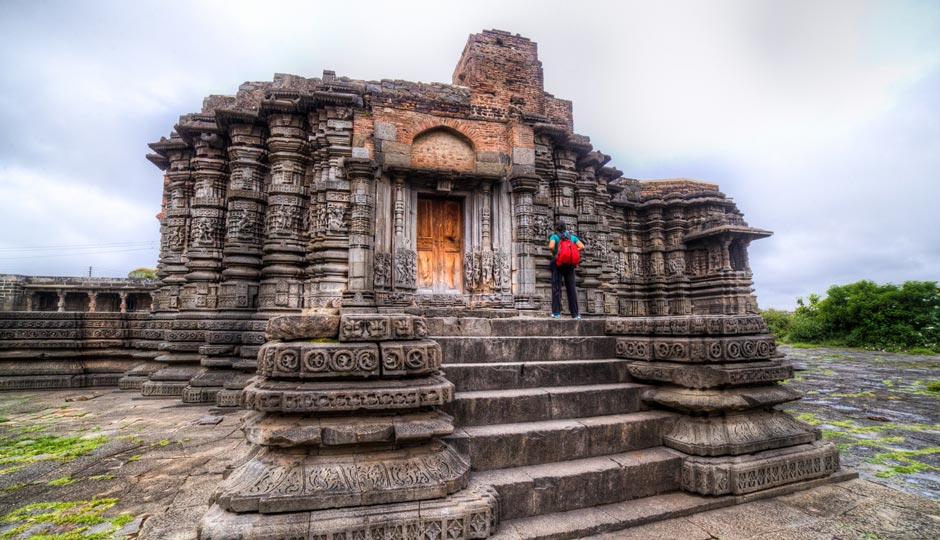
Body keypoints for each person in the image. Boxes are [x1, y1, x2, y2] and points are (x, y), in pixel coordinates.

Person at [548, 220, 585, 319]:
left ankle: (556, 313)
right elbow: (582, 246)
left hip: (558, 264)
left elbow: (551, 246)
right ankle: (575, 314)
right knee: (571, 288)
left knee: (557, 288)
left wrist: (555, 253)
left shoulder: (554, 236)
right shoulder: (572, 237)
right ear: (565, 228)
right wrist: (571, 252)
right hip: (570, 265)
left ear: (556, 228)